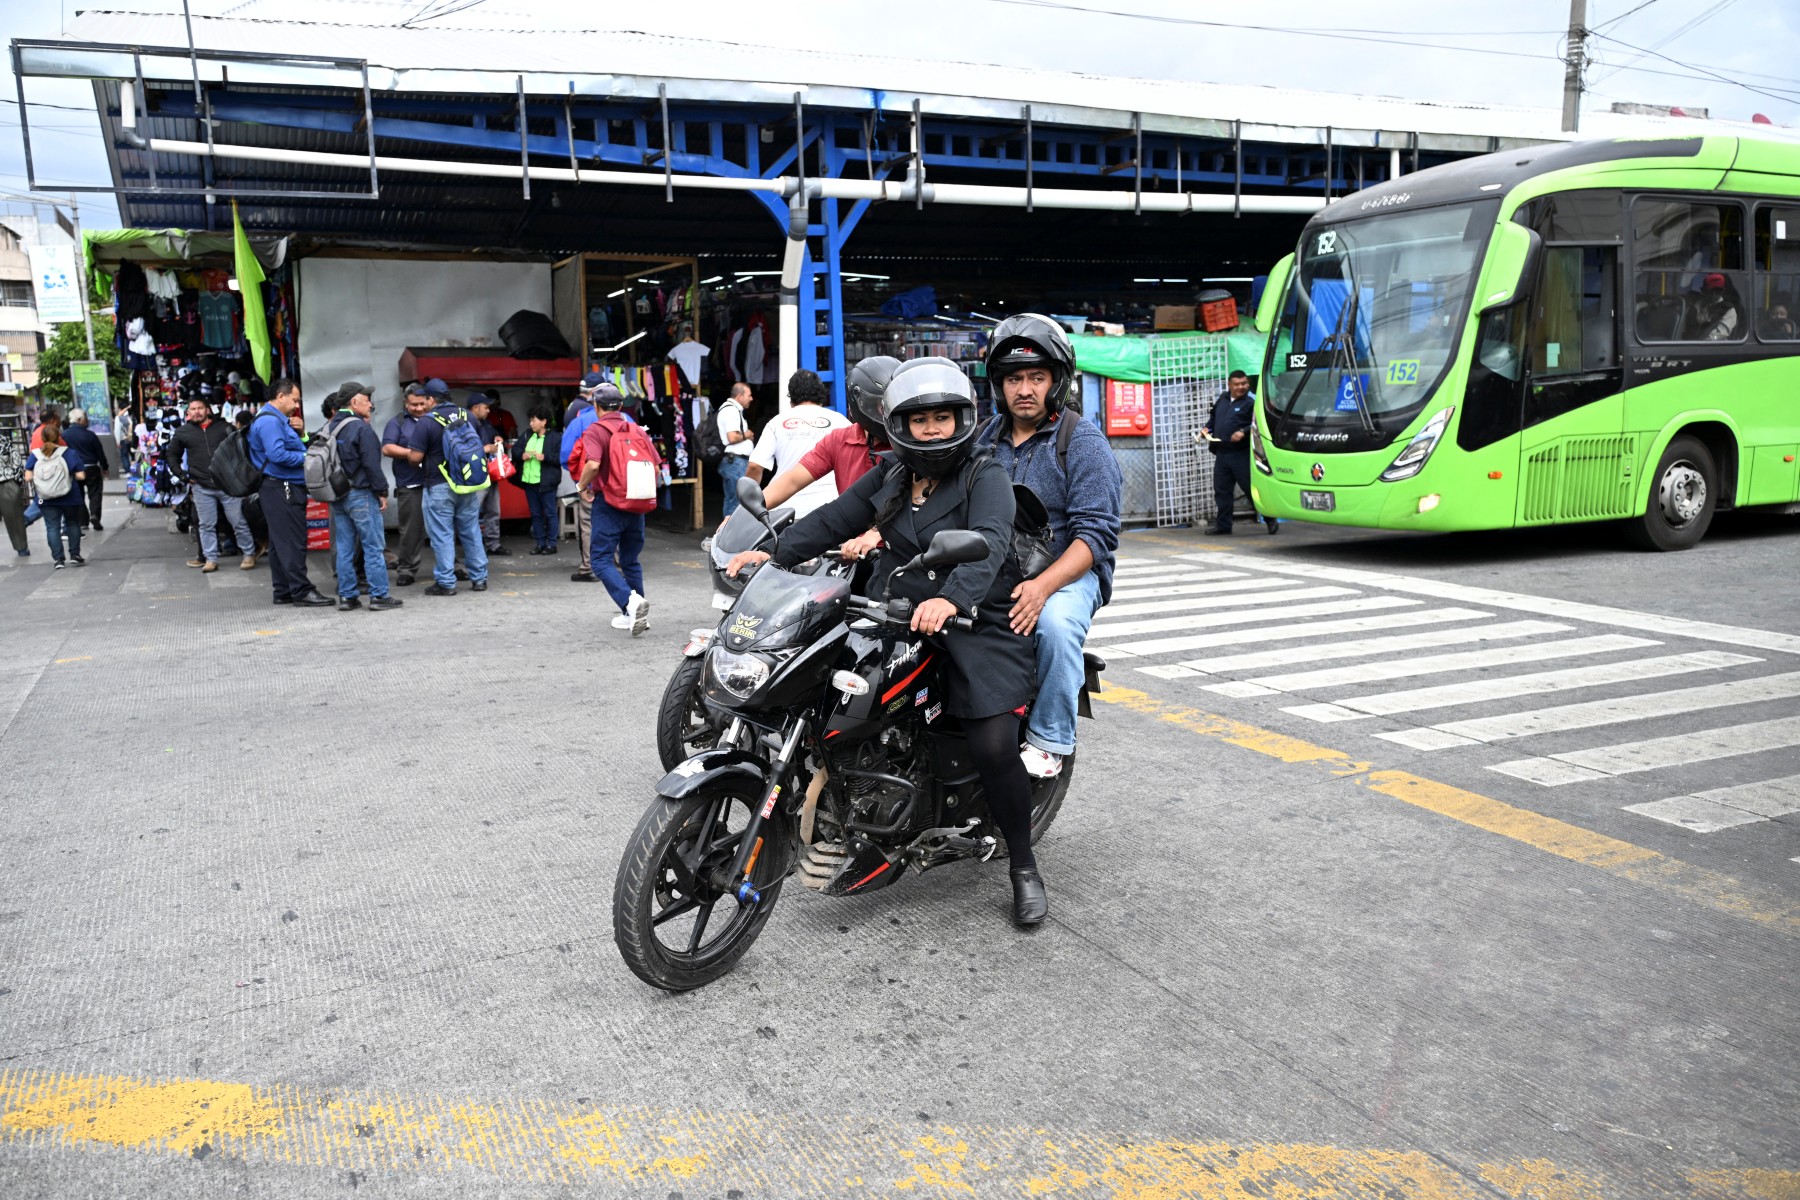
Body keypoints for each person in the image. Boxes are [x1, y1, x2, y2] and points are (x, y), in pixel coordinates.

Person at [725, 360, 1047, 927]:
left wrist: (952, 598)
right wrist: (772, 555)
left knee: (994, 743)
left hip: (974, 619)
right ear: (897, 424)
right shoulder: (893, 474)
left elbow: (992, 542)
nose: (931, 430)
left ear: (961, 419)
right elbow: (833, 519)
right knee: (819, 687)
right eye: (919, 420)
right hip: (891, 607)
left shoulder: (983, 473)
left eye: (942, 418)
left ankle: (1022, 864)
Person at [976, 315, 1123, 781]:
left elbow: (1095, 535)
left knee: (1057, 627)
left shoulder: (1081, 441)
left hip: (1066, 573)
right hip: (995, 568)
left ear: (1056, 382)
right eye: (1014, 378)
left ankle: (1050, 740)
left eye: (1036, 377)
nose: (1024, 388)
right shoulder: (983, 440)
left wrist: (1042, 588)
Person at [575, 383, 655, 634]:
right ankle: (636, 615)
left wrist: (581, 486)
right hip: (637, 503)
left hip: (609, 503)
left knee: (599, 560)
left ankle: (630, 603)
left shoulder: (595, 430)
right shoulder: (636, 429)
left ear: (597, 407)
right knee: (630, 559)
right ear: (620, 406)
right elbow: (654, 465)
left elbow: (593, 465)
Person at [250, 378, 332, 606]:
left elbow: (291, 446)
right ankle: (301, 590)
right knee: (293, 540)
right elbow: (277, 455)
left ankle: (283, 590)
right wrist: (308, 458)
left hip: (279, 486)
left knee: (279, 542)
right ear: (280, 396)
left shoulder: (277, 420)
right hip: (282, 486)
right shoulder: (270, 422)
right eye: (294, 399)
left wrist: (303, 435)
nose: (296, 405)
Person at [406, 385, 490, 597]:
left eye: (425, 400)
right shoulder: (468, 416)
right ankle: (479, 578)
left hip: (438, 485)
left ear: (432, 399)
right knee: (471, 530)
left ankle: (446, 582)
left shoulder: (426, 422)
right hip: (466, 483)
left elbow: (415, 458)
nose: (423, 404)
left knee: (442, 534)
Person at [327, 383, 401, 612]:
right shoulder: (361, 428)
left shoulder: (330, 426)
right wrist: (382, 492)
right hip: (360, 494)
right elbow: (372, 465)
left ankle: (348, 597)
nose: (371, 403)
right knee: (373, 547)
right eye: (366, 399)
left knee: (344, 547)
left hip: (338, 495)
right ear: (353, 401)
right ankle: (379, 596)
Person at [167, 396, 257, 573]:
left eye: (200, 408)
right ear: (188, 412)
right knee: (206, 524)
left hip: (227, 484)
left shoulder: (224, 428)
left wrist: (239, 473)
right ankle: (211, 558)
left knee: (237, 521)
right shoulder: (183, 432)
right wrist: (183, 475)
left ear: (207, 409)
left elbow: (242, 449)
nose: (196, 412)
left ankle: (249, 553)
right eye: (192, 409)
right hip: (201, 486)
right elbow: (171, 455)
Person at [744, 369, 850, 515]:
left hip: (787, 509)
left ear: (791, 396)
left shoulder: (777, 423)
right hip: (833, 507)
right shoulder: (840, 421)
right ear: (821, 394)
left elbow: (755, 466)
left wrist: (748, 506)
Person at [1202, 370, 1279, 538]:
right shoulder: (1222, 399)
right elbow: (1213, 418)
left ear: (1248, 384)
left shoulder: (1251, 403)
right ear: (1229, 385)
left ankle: (1270, 519)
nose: (1240, 387)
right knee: (1222, 491)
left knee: (1251, 490)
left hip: (1241, 454)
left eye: (1244, 384)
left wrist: (1244, 432)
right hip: (1222, 453)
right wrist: (1207, 429)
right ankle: (1223, 526)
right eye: (1236, 384)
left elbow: (1259, 424)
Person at [381, 383, 433, 586]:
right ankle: (407, 569)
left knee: (445, 528)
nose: (419, 408)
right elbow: (387, 448)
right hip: (410, 484)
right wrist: (413, 454)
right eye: (414, 405)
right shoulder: (398, 422)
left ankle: (453, 566)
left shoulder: (436, 419)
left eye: (422, 403)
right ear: (405, 403)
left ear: (429, 401)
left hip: (437, 483)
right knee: (411, 531)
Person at [24, 414, 90, 569]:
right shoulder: (69, 453)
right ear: (58, 437)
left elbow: (28, 477)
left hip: (46, 497)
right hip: (70, 496)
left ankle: (58, 559)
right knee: (73, 524)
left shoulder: (36, 455)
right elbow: (81, 475)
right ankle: (74, 555)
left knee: (52, 527)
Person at [510, 404, 563, 553]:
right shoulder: (527, 435)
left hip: (547, 482)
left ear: (544, 421)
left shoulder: (555, 437)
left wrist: (545, 457)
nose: (531, 423)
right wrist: (522, 455)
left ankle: (551, 544)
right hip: (529, 482)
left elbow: (561, 458)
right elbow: (515, 450)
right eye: (530, 420)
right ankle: (540, 543)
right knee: (536, 514)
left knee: (550, 513)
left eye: (534, 420)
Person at [466, 391, 509, 556]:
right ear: (475, 408)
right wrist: (483, 449)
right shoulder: (464, 424)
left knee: (493, 510)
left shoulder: (485, 424)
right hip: (474, 475)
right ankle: (473, 547)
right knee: (472, 512)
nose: (489, 410)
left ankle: (493, 544)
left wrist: (497, 438)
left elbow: (493, 436)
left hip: (490, 473)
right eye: (486, 407)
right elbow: (460, 449)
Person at [62, 409, 109, 530]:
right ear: (80, 420)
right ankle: (95, 515)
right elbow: (99, 452)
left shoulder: (64, 435)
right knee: (95, 493)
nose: (87, 421)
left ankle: (83, 521)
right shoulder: (90, 435)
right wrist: (104, 466)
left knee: (78, 495)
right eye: (85, 418)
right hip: (91, 467)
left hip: (74, 469)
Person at [716, 382, 754, 516]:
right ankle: (732, 535)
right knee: (736, 503)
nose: (751, 399)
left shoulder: (733, 410)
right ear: (739, 396)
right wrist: (747, 435)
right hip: (735, 462)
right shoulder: (731, 410)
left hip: (735, 463)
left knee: (733, 500)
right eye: (749, 395)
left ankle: (728, 534)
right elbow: (732, 437)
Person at [0, 426, 27, 558]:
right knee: (15, 518)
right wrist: (18, 480)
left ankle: (21, 547)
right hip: (7, 481)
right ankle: (21, 547)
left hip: (7, 482)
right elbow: (16, 460)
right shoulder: (3, 440)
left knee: (15, 518)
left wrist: (17, 480)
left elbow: (15, 459)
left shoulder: (3, 441)